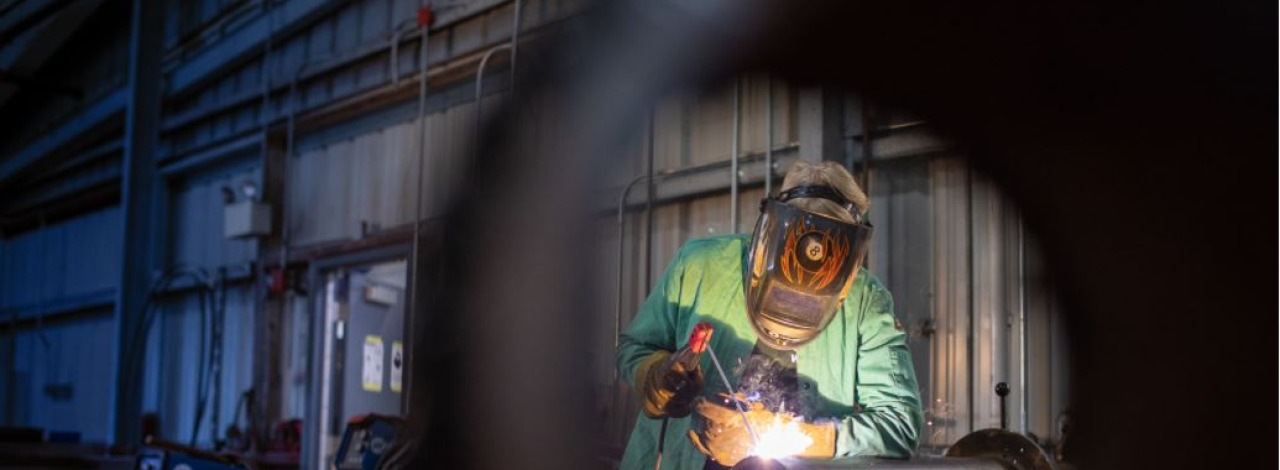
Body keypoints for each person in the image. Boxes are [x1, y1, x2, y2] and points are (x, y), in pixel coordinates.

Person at [616, 161, 923, 469]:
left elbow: (899, 425)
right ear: (769, 237)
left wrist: (792, 435)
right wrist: (655, 376)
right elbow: (633, 347)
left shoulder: (865, 300)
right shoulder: (701, 264)